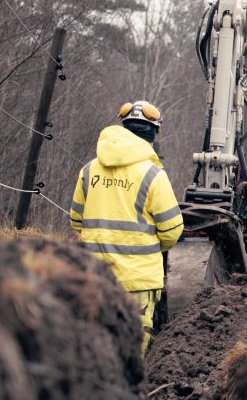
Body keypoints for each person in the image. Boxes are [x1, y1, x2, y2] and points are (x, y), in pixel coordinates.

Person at [69, 100, 183, 355]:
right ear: (153, 133)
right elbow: (172, 230)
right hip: (138, 282)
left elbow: (76, 221)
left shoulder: (88, 171)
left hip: (94, 277)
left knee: (93, 347)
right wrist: (148, 246)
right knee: (131, 352)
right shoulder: (153, 175)